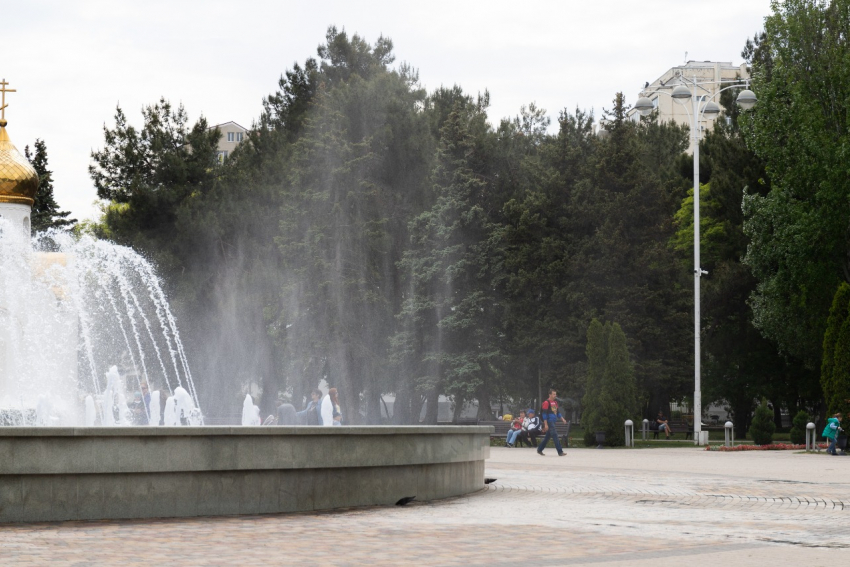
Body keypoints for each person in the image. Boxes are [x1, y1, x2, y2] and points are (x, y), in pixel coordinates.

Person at [537, 389, 567, 456]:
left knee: (547, 437)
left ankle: (539, 449)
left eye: (555, 394)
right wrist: (545, 424)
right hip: (549, 422)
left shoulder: (554, 403)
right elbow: (544, 414)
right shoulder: (546, 402)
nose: (555, 395)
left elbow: (557, 412)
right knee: (555, 436)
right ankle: (560, 452)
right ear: (549, 395)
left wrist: (562, 419)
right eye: (553, 394)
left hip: (553, 421)